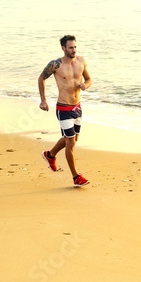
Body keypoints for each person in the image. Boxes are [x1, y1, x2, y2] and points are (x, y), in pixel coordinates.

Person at [38, 34, 91, 187]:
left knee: (73, 139)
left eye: (75, 47)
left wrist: (85, 85)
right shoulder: (56, 65)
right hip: (63, 108)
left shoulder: (81, 61)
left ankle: (50, 155)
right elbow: (41, 78)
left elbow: (88, 79)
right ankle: (76, 177)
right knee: (70, 143)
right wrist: (43, 100)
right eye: (70, 48)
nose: (74, 50)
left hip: (77, 107)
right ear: (63, 48)